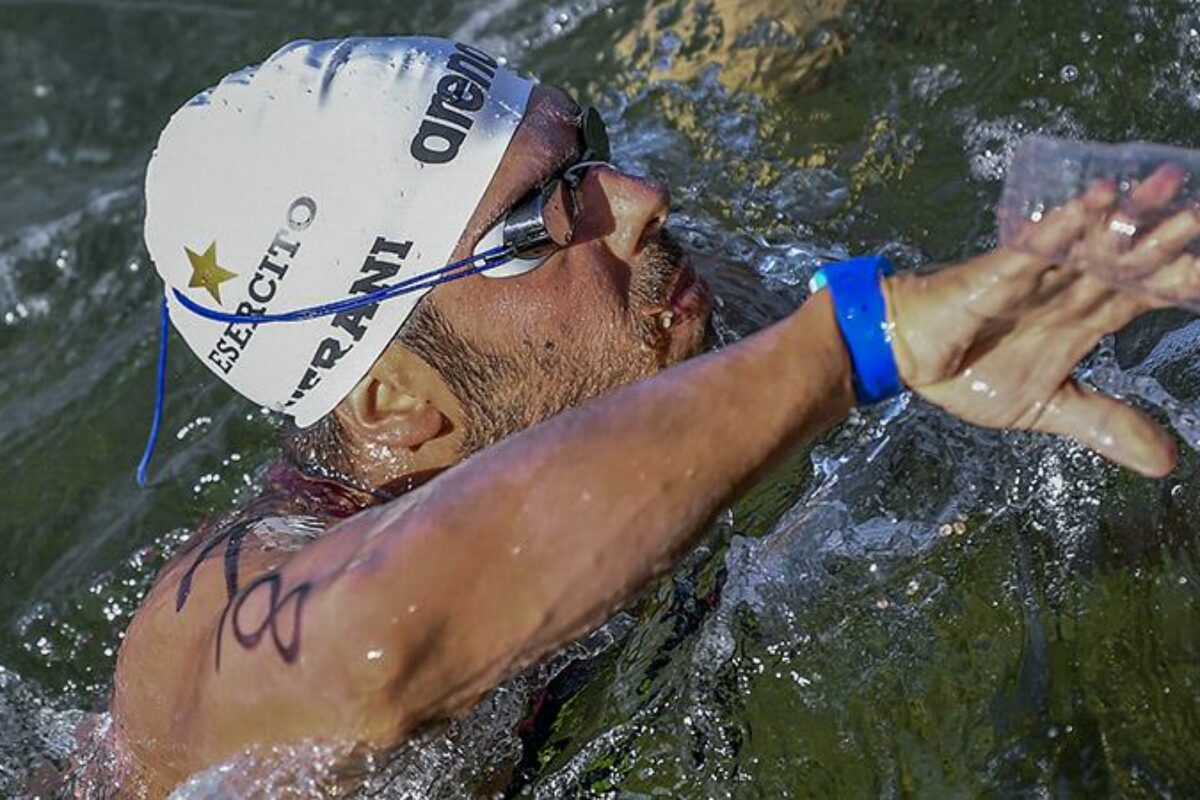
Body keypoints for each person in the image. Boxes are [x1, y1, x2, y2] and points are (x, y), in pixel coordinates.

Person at [96, 35, 1193, 797]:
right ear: (396, 405)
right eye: (542, 215)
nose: (638, 200)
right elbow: (370, 653)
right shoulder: (206, 637)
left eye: (588, 151)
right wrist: (861, 339)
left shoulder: (654, 319)